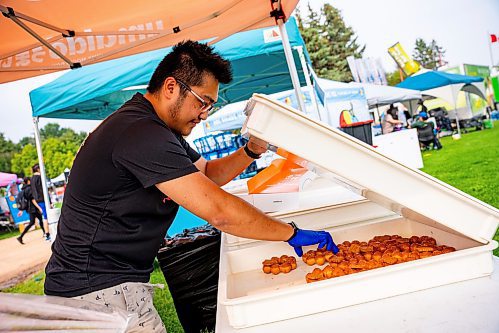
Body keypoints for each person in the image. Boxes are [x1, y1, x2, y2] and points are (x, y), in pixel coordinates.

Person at [44, 40, 338, 332]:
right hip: (93, 291)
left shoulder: (155, 129)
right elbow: (219, 211)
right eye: (203, 102)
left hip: (102, 285)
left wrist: (252, 150)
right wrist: (291, 233)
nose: (205, 114)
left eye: (210, 105)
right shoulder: (140, 133)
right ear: (171, 87)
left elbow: (208, 174)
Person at [16, 177, 46, 244]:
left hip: (30, 208)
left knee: (40, 219)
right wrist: (39, 208)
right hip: (33, 208)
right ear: (28, 181)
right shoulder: (29, 188)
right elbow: (33, 199)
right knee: (32, 222)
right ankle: (20, 236)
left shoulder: (23, 189)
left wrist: (21, 210)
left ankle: (45, 232)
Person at [30, 163, 51, 241]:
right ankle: (47, 234)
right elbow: (43, 190)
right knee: (46, 217)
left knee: (44, 216)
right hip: (43, 199)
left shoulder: (32, 179)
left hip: (37, 200)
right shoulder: (39, 177)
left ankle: (47, 233)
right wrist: (50, 201)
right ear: (38, 169)